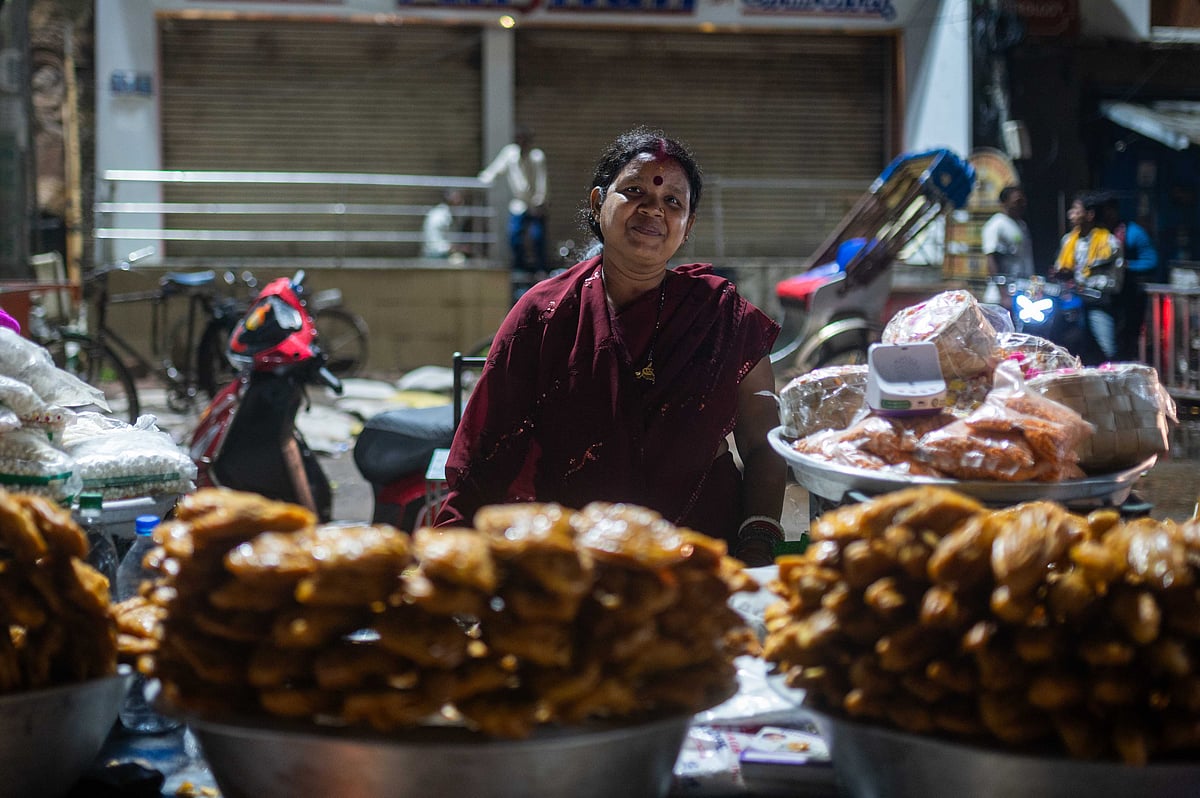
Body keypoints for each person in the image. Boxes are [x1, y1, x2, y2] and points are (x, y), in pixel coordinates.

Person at [437, 127, 785, 566]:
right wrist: (449, 561)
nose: (653, 209)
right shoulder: (543, 313)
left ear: (688, 225)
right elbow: (486, 455)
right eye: (634, 190)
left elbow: (763, 443)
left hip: (701, 562)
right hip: (576, 567)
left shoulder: (723, 315)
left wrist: (757, 538)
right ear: (598, 202)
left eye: (672, 201)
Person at [1053, 191, 1125, 362]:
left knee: (1107, 349)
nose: (1070, 215)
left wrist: (1084, 282)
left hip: (1097, 304)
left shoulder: (1109, 243)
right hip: (1071, 304)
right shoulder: (1068, 241)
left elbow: (1115, 283)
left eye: (1076, 210)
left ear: (1090, 215)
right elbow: (1061, 268)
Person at [478, 126, 549, 285]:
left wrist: (540, 200)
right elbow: (495, 169)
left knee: (538, 237)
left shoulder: (536, 156)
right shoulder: (510, 154)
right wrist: (483, 180)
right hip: (519, 203)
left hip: (535, 203)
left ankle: (540, 268)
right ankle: (520, 267)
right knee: (514, 235)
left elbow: (541, 181)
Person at [1098, 192, 1159, 361]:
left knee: (1125, 341)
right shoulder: (1097, 234)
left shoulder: (1133, 232)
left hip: (1128, 297)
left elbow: (1151, 261)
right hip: (1102, 298)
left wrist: (1126, 266)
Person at [981, 184, 1035, 281]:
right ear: (1004, 202)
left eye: (1023, 201)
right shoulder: (996, 224)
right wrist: (1002, 292)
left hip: (1021, 287)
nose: (1021, 205)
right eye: (1017, 201)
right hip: (1002, 291)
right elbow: (991, 258)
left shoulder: (1022, 225)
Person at [422, 189, 470, 261]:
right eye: (458, 198)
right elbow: (434, 244)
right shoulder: (438, 216)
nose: (462, 202)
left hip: (445, 252)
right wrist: (457, 248)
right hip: (435, 255)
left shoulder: (453, 214)